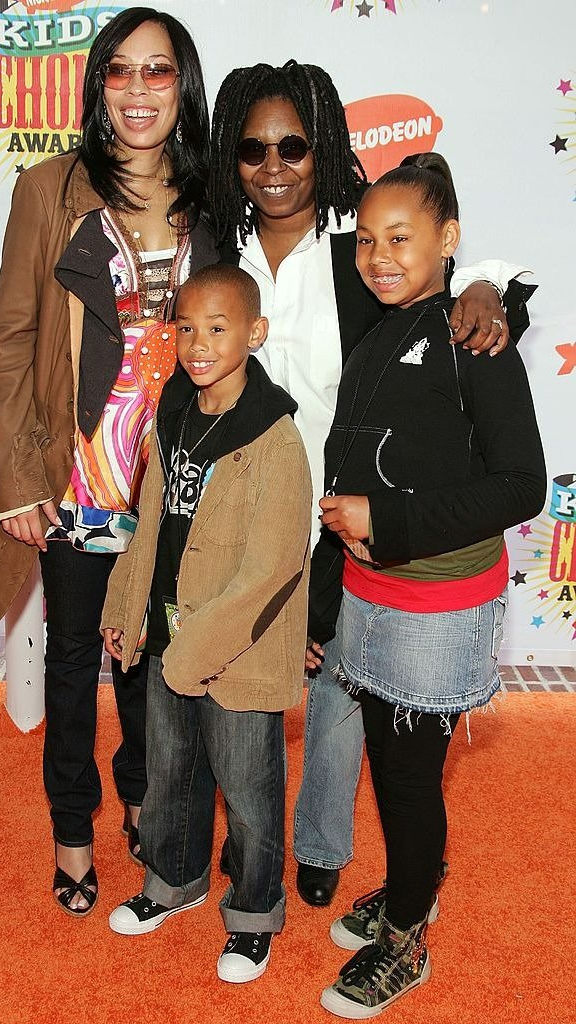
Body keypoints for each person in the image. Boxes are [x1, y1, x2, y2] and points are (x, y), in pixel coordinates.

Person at [208, 59, 535, 907]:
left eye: (292, 144)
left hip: (343, 508)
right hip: (244, 508)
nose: (273, 162)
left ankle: (321, 850)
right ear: (231, 157)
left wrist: (490, 288)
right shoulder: (221, 241)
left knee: (337, 690)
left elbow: (434, 264)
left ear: (322, 150)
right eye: (252, 147)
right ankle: (251, 839)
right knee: (242, 671)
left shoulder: (356, 233)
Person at [0, 6, 217, 916]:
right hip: (79, 478)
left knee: (152, 659)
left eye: (158, 72)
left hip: (176, 483)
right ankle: (72, 830)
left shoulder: (211, 196)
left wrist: (479, 281)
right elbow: (11, 343)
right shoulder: (50, 190)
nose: (139, 91)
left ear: (183, 86)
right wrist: (18, 485)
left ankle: (147, 796)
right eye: (120, 71)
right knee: (76, 661)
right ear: (97, 86)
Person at [302, 152, 546, 1017]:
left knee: (407, 778)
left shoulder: (475, 337)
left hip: (438, 605)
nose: (376, 255)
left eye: (400, 238)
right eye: (366, 238)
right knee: (392, 763)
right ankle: (411, 884)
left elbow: (523, 486)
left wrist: (484, 288)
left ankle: (406, 933)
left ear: (446, 239)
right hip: (371, 597)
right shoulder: (379, 324)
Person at [101, 263, 312, 984]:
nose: (197, 343)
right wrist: (125, 608)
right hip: (168, 638)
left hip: (236, 654)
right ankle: (174, 880)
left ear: (254, 333)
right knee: (168, 774)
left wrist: (198, 651)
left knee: (248, 790)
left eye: (217, 328)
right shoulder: (172, 412)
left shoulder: (274, 435)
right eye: (185, 327)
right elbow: (149, 522)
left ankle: (253, 912)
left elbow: (274, 566)